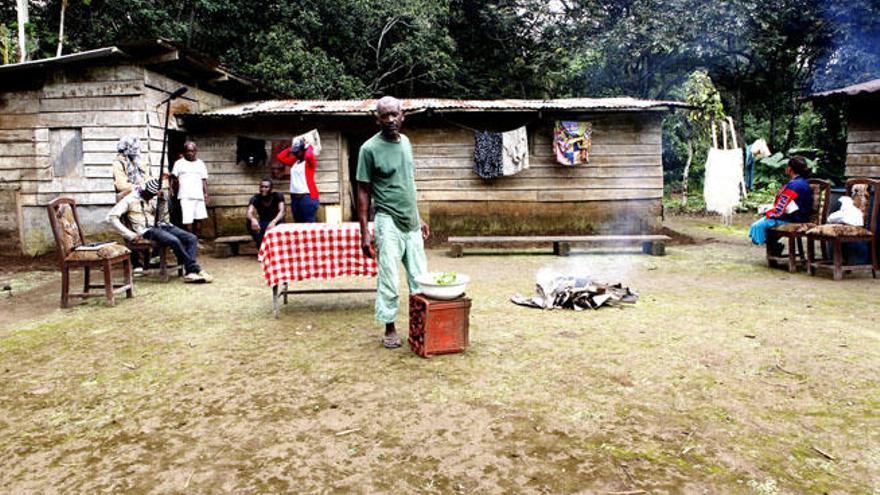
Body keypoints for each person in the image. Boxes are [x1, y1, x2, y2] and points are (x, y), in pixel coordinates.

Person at [356, 96, 430, 349]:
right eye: (384, 115)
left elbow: (408, 183)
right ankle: (389, 327)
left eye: (394, 114)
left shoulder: (406, 143)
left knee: (420, 279)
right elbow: (363, 191)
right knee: (388, 277)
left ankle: (421, 324)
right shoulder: (369, 149)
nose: (389, 120)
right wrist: (365, 232)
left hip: (411, 223)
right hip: (387, 220)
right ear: (377, 119)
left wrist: (418, 217)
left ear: (402, 116)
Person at [107, 178, 213, 283]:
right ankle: (195, 269)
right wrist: (129, 234)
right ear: (144, 191)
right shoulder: (129, 199)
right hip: (147, 230)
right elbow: (111, 217)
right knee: (174, 240)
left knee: (191, 238)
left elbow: (161, 217)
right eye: (150, 195)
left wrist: (162, 201)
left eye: (153, 196)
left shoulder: (153, 197)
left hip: (161, 225)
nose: (151, 198)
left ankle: (190, 272)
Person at [749, 155, 814, 249]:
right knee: (763, 222)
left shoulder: (794, 185)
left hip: (793, 218)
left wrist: (769, 213)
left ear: (790, 169)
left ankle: (775, 246)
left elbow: (782, 206)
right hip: (799, 215)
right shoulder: (802, 182)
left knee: (757, 226)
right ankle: (775, 246)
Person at [276, 137, 319, 222]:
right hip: (295, 199)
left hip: (307, 198)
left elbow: (309, 155)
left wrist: (308, 146)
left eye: (297, 151)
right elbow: (280, 157)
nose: (295, 154)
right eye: (294, 152)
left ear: (303, 150)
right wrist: (291, 148)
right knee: (298, 224)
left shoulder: (309, 162)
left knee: (309, 225)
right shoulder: (295, 161)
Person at [171, 142, 209, 237]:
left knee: (199, 218)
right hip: (185, 196)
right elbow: (173, 178)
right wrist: (171, 189)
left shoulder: (200, 163)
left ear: (196, 152)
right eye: (188, 151)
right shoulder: (179, 163)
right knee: (188, 219)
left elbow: (204, 180)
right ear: (184, 152)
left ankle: (197, 239)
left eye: (192, 151)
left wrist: (206, 194)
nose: (190, 153)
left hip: (198, 195)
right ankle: (190, 239)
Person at [246, 178, 286, 249]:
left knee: (281, 220)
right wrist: (253, 219)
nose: (263, 189)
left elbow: (282, 211)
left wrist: (274, 221)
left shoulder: (277, 196)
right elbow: (249, 212)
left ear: (271, 188)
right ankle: (261, 244)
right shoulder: (255, 198)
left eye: (266, 187)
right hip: (263, 223)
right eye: (261, 187)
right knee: (249, 221)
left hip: (276, 223)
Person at [112, 136, 152, 202]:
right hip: (126, 199)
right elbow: (121, 185)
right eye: (134, 148)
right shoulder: (118, 163)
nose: (137, 151)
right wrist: (140, 188)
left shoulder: (140, 162)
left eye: (137, 148)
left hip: (143, 197)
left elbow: (147, 178)